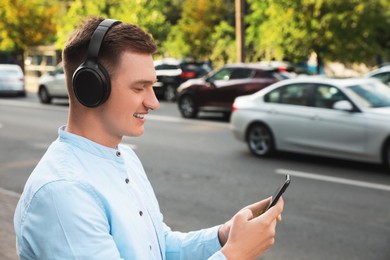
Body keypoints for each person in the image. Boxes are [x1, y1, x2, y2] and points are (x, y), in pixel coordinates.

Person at [14, 16, 284, 260]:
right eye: (139, 87)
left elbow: (159, 247)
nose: (153, 102)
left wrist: (224, 236)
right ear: (91, 87)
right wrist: (235, 254)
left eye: (152, 86)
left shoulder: (126, 157)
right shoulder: (63, 191)